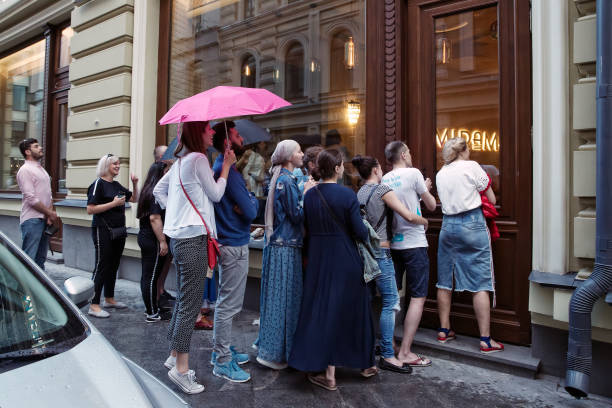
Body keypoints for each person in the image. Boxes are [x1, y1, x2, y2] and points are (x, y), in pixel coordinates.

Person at [153, 120, 235, 394]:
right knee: (191, 304)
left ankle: (174, 355)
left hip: (179, 237)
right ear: (198, 133)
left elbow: (158, 191)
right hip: (193, 238)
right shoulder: (199, 159)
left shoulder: (180, 162)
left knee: (184, 300)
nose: (212, 132)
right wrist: (225, 168)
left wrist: (177, 212)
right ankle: (181, 371)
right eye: (208, 129)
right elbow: (216, 194)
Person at [289, 148, 377, 391]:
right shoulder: (347, 195)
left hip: (318, 259)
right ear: (337, 168)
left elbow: (306, 226)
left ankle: (329, 373)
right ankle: (365, 363)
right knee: (354, 310)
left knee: (323, 311)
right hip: (345, 258)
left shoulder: (310, 196)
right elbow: (360, 232)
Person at [352, 154, 429, 373]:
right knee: (391, 302)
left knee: (371, 301)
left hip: (365, 251)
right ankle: (387, 354)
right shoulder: (382, 190)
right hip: (382, 251)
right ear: (376, 170)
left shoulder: (360, 192)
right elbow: (408, 216)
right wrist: (424, 221)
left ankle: (370, 348)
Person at [435, 137, 503, 354]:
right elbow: (491, 199)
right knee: (480, 281)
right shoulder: (472, 167)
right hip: (472, 223)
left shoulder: (441, 173)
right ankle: (485, 339)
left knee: (445, 279)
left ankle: (444, 330)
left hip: (448, 225)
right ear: (463, 151)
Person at [256, 140, 314, 370]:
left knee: (276, 300)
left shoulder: (280, 179)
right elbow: (297, 216)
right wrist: (307, 192)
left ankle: (272, 349)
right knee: (286, 300)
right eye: (299, 151)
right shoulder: (287, 181)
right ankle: (279, 353)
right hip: (287, 248)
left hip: (279, 246)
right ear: (290, 157)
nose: (302, 154)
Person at [210, 121, 258, 383]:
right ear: (228, 143)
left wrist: (247, 199)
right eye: (237, 135)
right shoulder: (231, 174)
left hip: (227, 242)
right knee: (228, 306)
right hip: (234, 244)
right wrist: (250, 199)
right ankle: (222, 360)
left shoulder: (222, 168)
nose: (242, 138)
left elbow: (247, 206)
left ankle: (222, 349)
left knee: (224, 303)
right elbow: (252, 211)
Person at [381, 141, 437, 367]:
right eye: (410, 152)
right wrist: (425, 189)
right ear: (403, 154)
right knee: (417, 296)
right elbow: (431, 206)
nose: (411, 155)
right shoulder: (414, 173)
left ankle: (391, 344)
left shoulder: (384, 178)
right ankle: (405, 351)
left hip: (394, 245)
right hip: (414, 243)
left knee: (392, 297)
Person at [86, 154, 139, 318]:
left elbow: (135, 198)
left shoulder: (116, 185)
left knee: (114, 264)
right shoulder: (98, 184)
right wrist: (114, 204)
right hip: (102, 230)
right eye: (114, 163)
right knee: (102, 264)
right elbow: (90, 209)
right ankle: (93, 304)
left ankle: (109, 298)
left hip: (118, 231)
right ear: (106, 166)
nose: (118, 166)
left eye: (118, 163)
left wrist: (135, 184)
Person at [16, 138, 57, 270]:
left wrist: (49, 215)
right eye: (36, 146)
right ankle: (21, 290)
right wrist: (49, 212)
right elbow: (31, 198)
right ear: (27, 151)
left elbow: (48, 194)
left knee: (40, 260)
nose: (40, 148)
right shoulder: (25, 170)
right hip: (32, 220)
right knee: (29, 260)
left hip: (44, 219)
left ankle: (39, 289)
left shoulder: (41, 169)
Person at [137, 161, 170, 322]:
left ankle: (151, 308)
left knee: (148, 276)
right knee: (150, 277)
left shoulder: (147, 190)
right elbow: (154, 218)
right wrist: (162, 241)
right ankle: (151, 313)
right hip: (153, 239)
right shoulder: (156, 193)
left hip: (145, 236)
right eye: (167, 172)